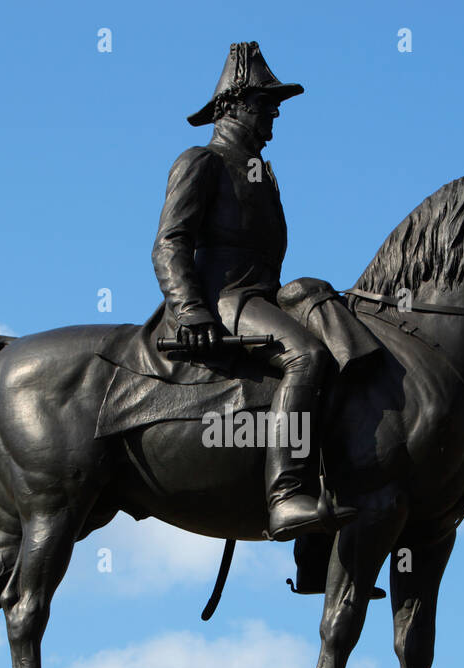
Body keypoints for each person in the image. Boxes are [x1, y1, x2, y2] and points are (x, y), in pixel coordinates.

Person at [152, 41, 340, 542]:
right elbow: (170, 243)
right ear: (235, 106)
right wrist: (191, 311)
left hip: (264, 298)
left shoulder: (260, 171)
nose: (275, 113)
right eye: (266, 103)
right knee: (306, 357)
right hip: (227, 301)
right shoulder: (202, 161)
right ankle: (284, 497)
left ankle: (319, 539)